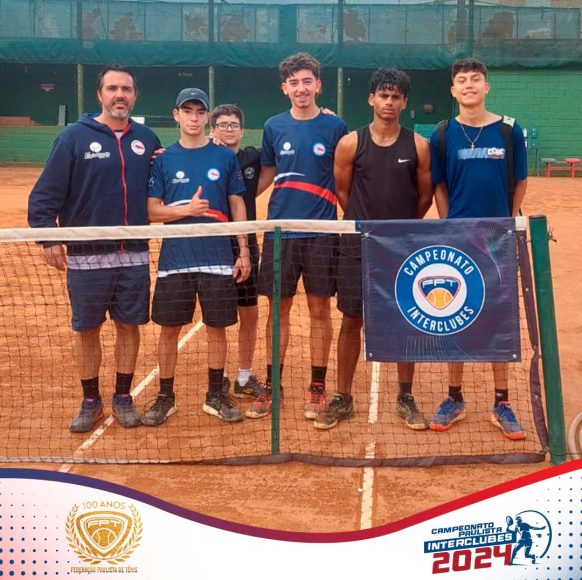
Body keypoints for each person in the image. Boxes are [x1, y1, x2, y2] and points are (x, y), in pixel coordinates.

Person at [28, 65, 161, 433]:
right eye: (112, 88)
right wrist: (48, 236)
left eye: (127, 89)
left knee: (128, 326)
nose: (120, 95)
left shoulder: (147, 139)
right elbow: (45, 194)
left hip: (133, 254)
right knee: (87, 329)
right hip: (86, 255)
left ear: (135, 96)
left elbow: (166, 175)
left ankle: (122, 397)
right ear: (100, 94)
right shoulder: (73, 137)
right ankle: (91, 401)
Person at [313, 68, 433, 430]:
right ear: (371, 99)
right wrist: (367, 227)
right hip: (357, 245)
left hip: (402, 247)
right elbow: (343, 192)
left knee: (404, 321)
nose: (389, 102)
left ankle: (405, 396)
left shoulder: (419, 146)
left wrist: (398, 230)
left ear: (404, 102)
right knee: (351, 320)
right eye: (383, 95)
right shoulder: (351, 143)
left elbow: (424, 197)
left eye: (396, 97)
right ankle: (343, 397)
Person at [428, 58, 528, 440]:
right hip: (458, 240)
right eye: (461, 80)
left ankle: (502, 401)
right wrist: (449, 225)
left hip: (499, 239)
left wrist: (508, 222)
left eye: (475, 79)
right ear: (453, 91)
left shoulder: (509, 130)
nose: (469, 85)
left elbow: (520, 181)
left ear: (486, 87)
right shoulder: (443, 133)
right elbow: (439, 186)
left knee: (498, 319)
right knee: (456, 314)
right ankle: (454, 397)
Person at [246, 52, 348, 421]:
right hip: (280, 233)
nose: (301, 88)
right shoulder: (273, 126)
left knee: (320, 310)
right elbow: (267, 174)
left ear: (318, 85)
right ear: (284, 88)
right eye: (294, 83)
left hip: (322, 232)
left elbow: (346, 175)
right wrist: (233, 202)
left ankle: (317, 385)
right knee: (278, 310)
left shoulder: (336, 127)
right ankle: (273, 384)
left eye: (307, 81)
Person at [142, 88, 250, 426]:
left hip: (218, 258)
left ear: (207, 117)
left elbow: (237, 205)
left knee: (218, 329)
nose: (193, 117)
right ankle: (165, 397)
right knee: (168, 331)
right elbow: (151, 211)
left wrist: (244, 250)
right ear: (176, 115)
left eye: (199, 111)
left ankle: (215, 395)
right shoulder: (163, 159)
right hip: (175, 261)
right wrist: (185, 210)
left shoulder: (225, 157)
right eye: (187, 111)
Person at [208, 104, 269, 401]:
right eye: (223, 125)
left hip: (246, 244)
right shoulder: (205, 155)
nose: (229, 129)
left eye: (234, 125)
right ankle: (218, 377)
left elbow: (283, 157)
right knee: (217, 316)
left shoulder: (251, 158)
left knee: (250, 312)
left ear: (242, 131)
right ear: (213, 129)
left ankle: (244, 376)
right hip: (214, 245)